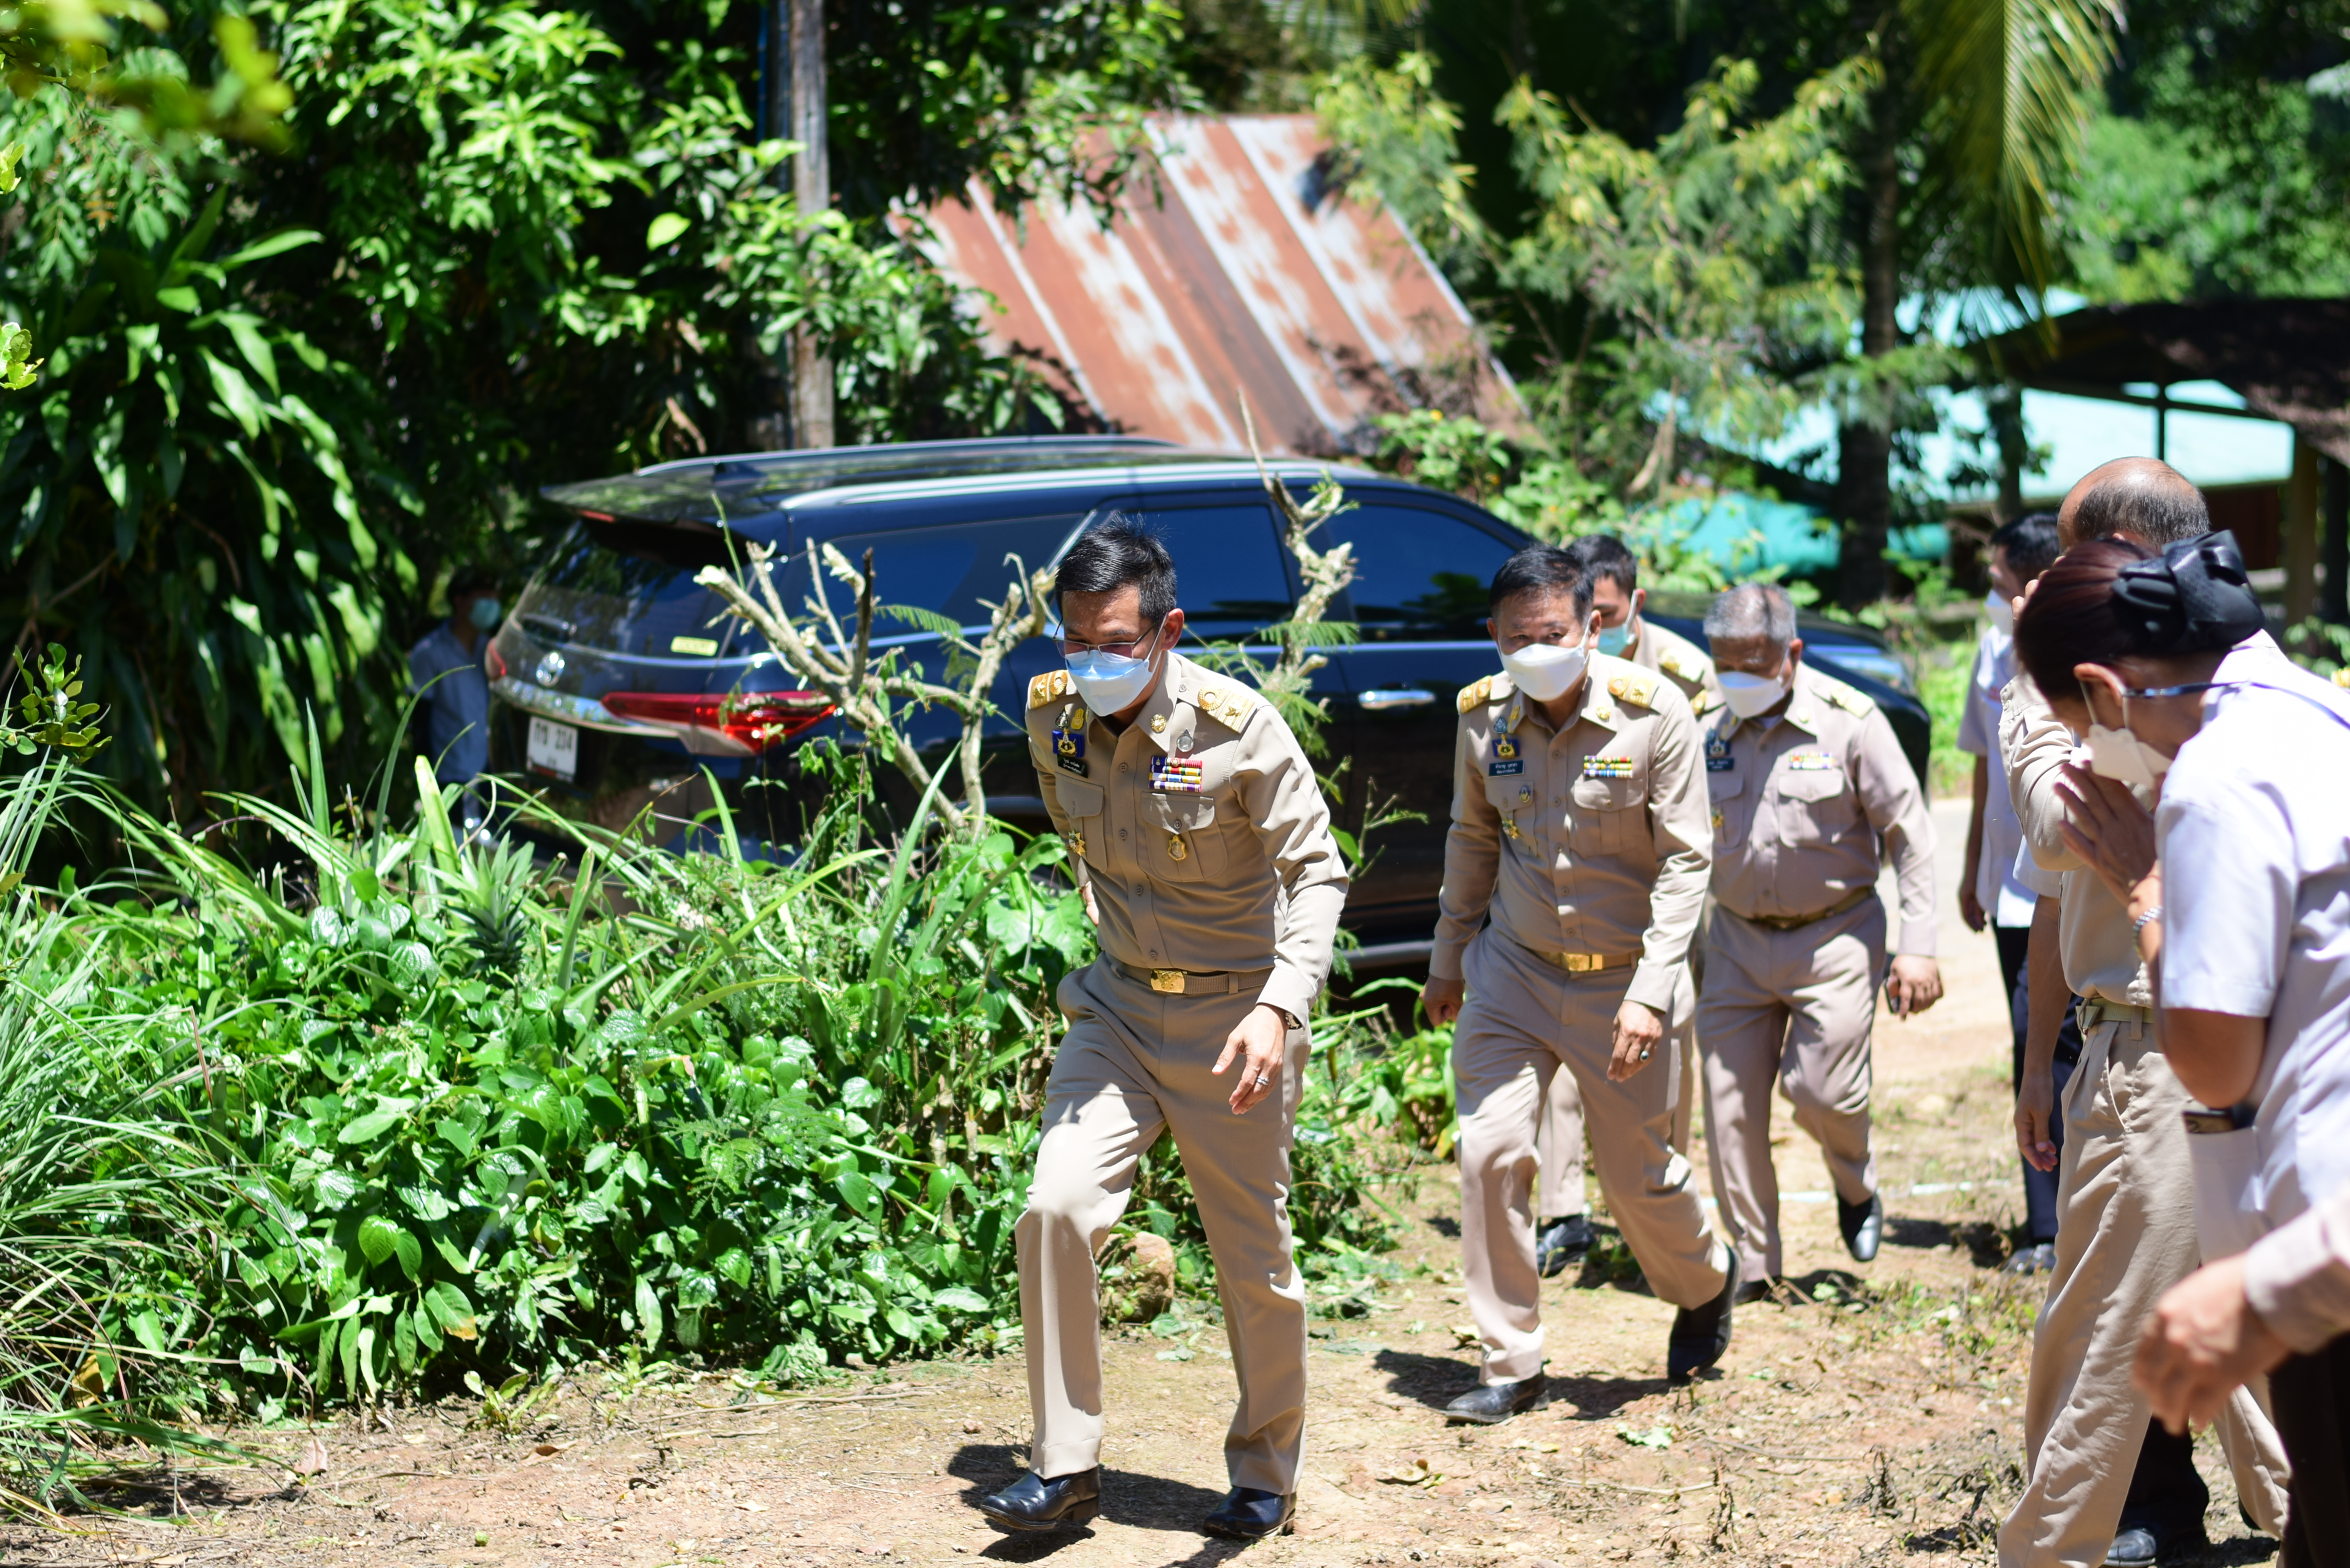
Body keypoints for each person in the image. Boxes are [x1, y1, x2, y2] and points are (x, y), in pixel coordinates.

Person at [973, 515, 1348, 1542]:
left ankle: (1265, 1470)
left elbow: (1317, 872)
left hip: (1238, 1020)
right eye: (1075, 640)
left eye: (1116, 644)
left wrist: (1281, 1003)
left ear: (1169, 629)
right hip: (1120, 1011)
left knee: (1251, 1256)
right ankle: (1064, 1469)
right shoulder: (1050, 713)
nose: (1091, 663)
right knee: (1053, 1210)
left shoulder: (1236, 729)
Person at [2029, 532, 2350, 1565]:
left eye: (2076, 731)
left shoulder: (2213, 778)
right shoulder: (2322, 712)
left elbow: (2211, 1065)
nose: (2089, 760)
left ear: (2102, 691)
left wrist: (2143, 886)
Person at [1421, 544, 1735, 1421]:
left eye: (1551, 633)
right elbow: (1471, 837)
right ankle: (1510, 1362)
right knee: (1489, 1154)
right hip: (1514, 971)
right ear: (1492, 635)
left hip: (1625, 983)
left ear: (1593, 627)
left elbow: (1685, 862)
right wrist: (1449, 958)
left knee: (1638, 1180)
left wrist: (1651, 992)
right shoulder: (1480, 716)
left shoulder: (1655, 711)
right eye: (1516, 636)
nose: (1534, 649)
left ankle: (1706, 1282)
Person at [1696, 583, 1940, 1297]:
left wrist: (1919, 946)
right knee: (1730, 1105)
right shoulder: (1705, 727)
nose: (1735, 676)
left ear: (1790, 654)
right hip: (1736, 940)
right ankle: (1756, 1263)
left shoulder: (1850, 724)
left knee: (1822, 1092)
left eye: (1751, 662)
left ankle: (1855, 1184)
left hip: (1834, 939)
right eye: (1724, 662)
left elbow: (1913, 840)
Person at [1522, 535, 1718, 1276]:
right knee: (1563, 1052)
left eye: (1603, 612)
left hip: (1661, 883)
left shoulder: (1684, 678)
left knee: (1662, 1044)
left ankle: (1661, 1204)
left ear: (1628, 609)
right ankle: (1564, 1211)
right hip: (1575, 887)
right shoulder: (1539, 676)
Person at [1955, 513, 2071, 1274]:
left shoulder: (2078, 650)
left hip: (2064, 886)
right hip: (2013, 887)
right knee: (2032, 1044)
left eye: (2000, 583)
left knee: (2062, 1042)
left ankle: (2065, 1224)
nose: (1993, 597)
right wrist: (1972, 866)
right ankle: (2043, 1226)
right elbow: (1982, 771)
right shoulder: (1994, 649)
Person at [409, 568, 502, 828]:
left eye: (495, 596)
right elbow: (420, 722)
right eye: (484, 596)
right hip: (447, 777)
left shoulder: (490, 650)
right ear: (460, 602)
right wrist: (426, 782)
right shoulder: (431, 653)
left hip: (485, 775)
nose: (492, 603)